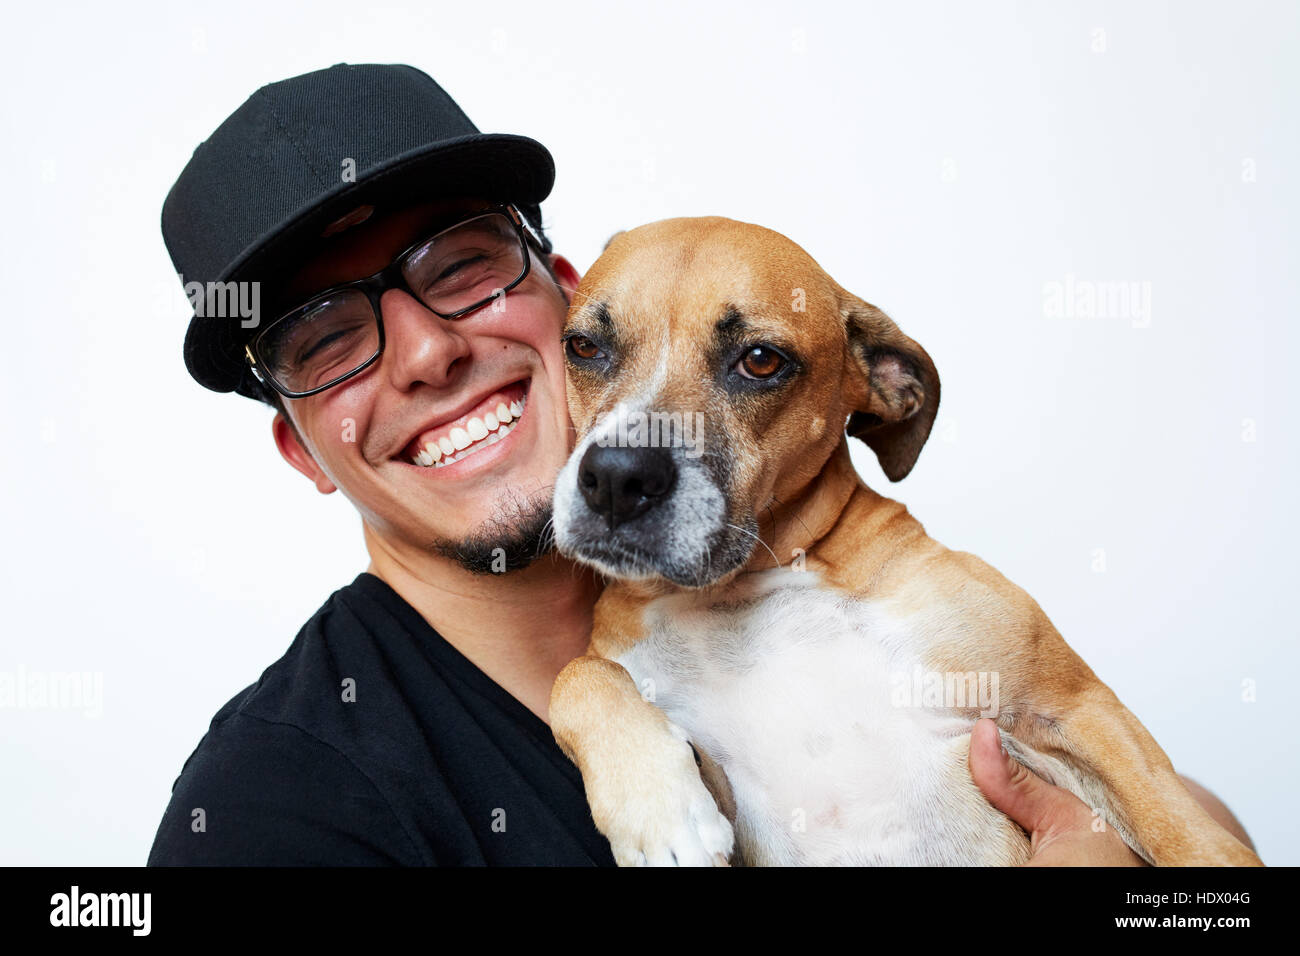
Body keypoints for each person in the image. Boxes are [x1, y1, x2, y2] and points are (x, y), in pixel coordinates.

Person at [147, 62, 1254, 866]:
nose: (431, 350)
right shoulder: (277, 806)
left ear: (562, 297)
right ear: (303, 446)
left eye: (463, 266)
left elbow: (1165, 804)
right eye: (327, 336)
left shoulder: (881, 588)